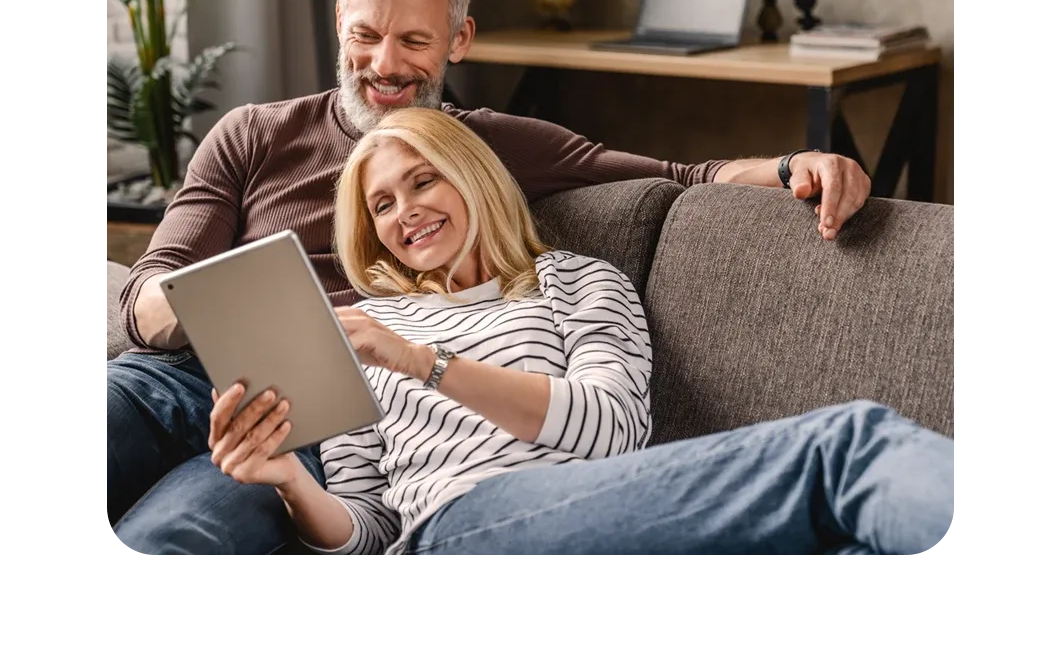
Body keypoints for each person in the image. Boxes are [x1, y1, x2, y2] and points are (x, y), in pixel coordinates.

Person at [107, 0, 872, 558]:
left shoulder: (484, 149)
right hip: (169, 379)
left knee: (164, 543)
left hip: (306, 418)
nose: (383, 65)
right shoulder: (252, 135)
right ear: (339, 21)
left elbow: (681, 173)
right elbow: (148, 287)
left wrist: (794, 161)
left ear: (459, 39)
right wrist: (202, 309)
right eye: (366, 34)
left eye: (414, 41)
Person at [195, 107, 958, 560]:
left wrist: (428, 364)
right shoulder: (372, 329)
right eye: (383, 204)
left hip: (584, 516)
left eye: (423, 180)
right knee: (848, 445)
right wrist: (289, 478)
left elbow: (611, 429)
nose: (407, 213)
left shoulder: (577, 281)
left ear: (472, 177)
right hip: (455, 536)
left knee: (859, 556)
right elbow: (368, 534)